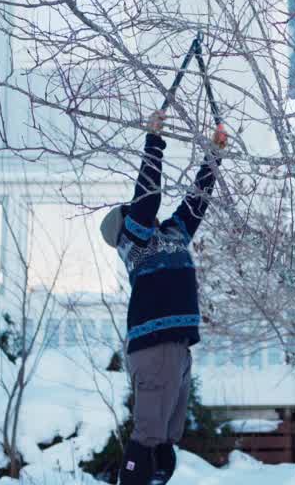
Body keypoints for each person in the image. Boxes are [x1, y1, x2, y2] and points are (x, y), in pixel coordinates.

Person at [99, 109, 226, 485]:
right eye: (132, 212)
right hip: (155, 348)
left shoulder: (170, 235)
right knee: (149, 436)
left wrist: (214, 156)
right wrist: (154, 140)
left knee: (166, 441)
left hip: (176, 348)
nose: (138, 212)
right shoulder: (134, 241)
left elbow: (195, 202)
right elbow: (147, 197)